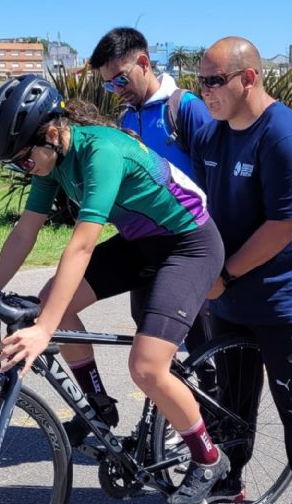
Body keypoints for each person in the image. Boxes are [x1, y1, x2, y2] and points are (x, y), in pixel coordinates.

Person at [0, 74, 230, 504]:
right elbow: (25, 232)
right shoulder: (51, 160)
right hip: (142, 243)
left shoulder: (101, 151)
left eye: (24, 159)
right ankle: (99, 405)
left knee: (147, 367)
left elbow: (81, 246)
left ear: (51, 132)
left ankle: (208, 458)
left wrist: (43, 330)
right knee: (53, 303)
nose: (25, 168)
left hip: (188, 245)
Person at [191, 37, 292, 504]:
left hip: (284, 296)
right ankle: (231, 479)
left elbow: (284, 225)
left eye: (213, 81)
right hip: (229, 293)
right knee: (233, 398)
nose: (204, 92)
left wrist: (225, 274)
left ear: (248, 78)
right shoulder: (213, 132)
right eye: (199, 81)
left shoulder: (285, 135)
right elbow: (201, 207)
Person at [89, 27, 213, 356]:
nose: (116, 90)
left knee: (200, 342)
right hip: (145, 243)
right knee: (149, 334)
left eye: (120, 79)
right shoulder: (126, 118)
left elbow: (215, 180)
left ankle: (209, 387)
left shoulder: (186, 108)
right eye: (108, 85)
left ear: (144, 63)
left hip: (189, 242)